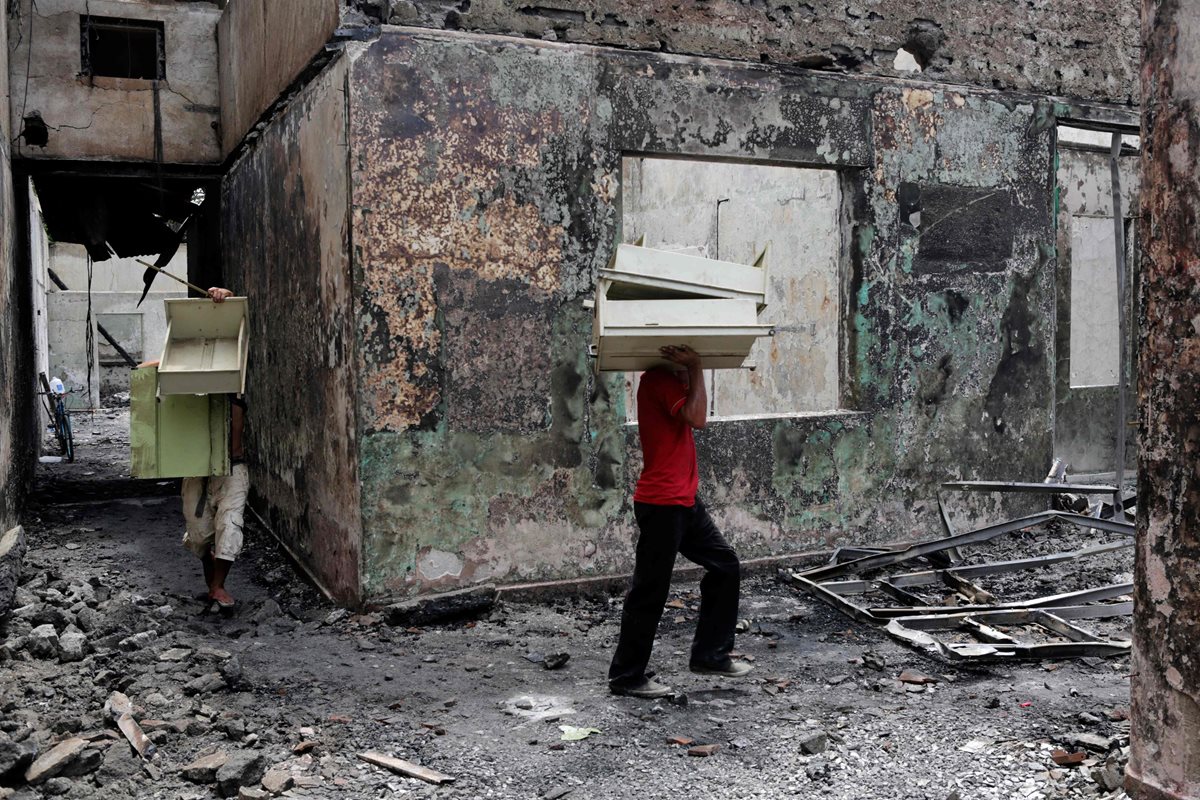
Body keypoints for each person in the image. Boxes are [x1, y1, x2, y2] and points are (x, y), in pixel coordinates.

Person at [608, 344, 752, 698]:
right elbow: (698, 417)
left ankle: (710, 655)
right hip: (662, 503)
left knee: (725, 565)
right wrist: (698, 365)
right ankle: (626, 676)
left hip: (683, 501)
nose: (689, 378)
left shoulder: (671, 381)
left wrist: (692, 370)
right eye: (685, 369)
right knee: (650, 590)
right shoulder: (658, 380)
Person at [179, 286, 248, 609]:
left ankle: (218, 586)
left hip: (233, 466)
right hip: (198, 467)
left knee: (229, 529)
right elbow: (157, 366)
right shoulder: (188, 381)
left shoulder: (236, 374)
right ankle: (214, 587)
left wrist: (224, 297)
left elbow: (239, 319)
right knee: (199, 535)